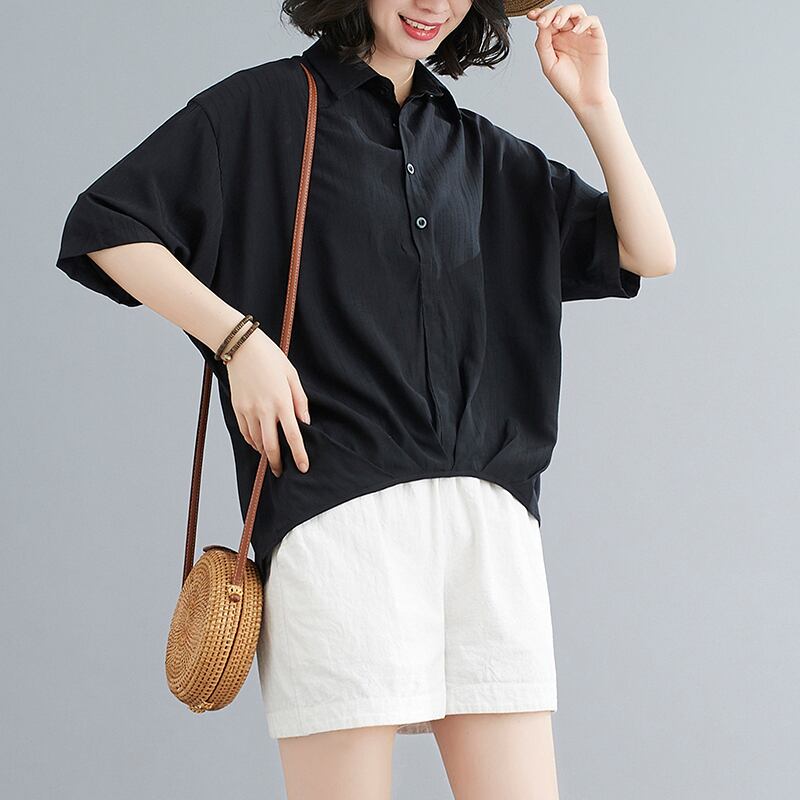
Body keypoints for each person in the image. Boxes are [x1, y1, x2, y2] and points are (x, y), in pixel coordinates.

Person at [55, 1, 675, 798]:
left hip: (488, 527)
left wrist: (595, 103)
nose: (432, 4)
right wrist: (238, 342)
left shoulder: (482, 152)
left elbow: (648, 251)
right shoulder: (265, 110)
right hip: (338, 525)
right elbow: (107, 225)